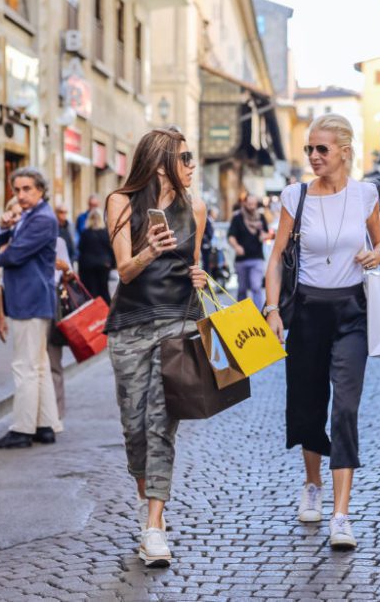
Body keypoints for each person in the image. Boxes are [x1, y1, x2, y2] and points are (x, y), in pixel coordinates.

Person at [263, 113, 380, 551]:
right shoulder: (294, 197)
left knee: (346, 409)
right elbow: (277, 256)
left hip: (353, 312)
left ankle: (341, 514)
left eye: (322, 149)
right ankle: (312, 484)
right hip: (307, 312)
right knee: (308, 404)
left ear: (344, 151)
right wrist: (272, 308)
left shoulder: (366, 194)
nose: (314, 157)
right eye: (309, 150)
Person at [104, 126, 207, 567]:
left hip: (177, 324)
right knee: (135, 429)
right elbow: (125, 271)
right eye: (184, 158)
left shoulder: (196, 208)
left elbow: (195, 265)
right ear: (162, 160)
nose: (191, 166)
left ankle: (154, 526)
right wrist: (150, 250)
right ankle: (150, 507)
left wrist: (199, 277)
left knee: (161, 424)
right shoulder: (122, 202)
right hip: (129, 325)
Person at [0, 168, 62, 450]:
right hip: (30, 297)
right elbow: (4, 247)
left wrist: (4, 252)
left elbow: (11, 255)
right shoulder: (29, 215)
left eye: (27, 189)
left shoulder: (41, 218)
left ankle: (22, 429)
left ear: (40, 189)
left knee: (25, 367)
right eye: (16, 190)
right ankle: (45, 425)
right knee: (38, 365)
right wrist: (4, 228)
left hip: (30, 298)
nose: (21, 195)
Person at [227, 195, 268, 310]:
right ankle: (243, 314)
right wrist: (236, 246)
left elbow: (266, 234)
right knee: (242, 289)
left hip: (257, 258)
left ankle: (258, 314)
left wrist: (264, 236)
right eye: (249, 204)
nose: (252, 207)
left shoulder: (261, 217)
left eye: (254, 204)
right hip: (241, 260)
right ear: (245, 203)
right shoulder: (238, 218)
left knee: (256, 286)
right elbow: (231, 236)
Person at [78, 208, 114, 304]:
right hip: (104, 265)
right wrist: (113, 264)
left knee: (91, 292)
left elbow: (81, 249)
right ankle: (107, 312)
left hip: (88, 266)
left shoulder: (85, 233)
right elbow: (110, 249)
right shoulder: (105, 233)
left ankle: (94, 313)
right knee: (104, 290)